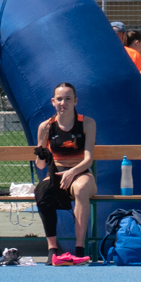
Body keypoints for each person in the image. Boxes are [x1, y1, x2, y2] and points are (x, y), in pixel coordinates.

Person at [33, 82, 97, 264]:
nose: (63, 103)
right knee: (42, 191)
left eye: (68, 99)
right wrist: (41, 154)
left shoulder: (87, 123)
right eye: (59, 99)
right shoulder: (46, 127)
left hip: (81, 172)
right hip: (56, 174)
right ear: (53, 102)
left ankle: (79, 249)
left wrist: (72, 172)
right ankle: (52, 249)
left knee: (81, 189)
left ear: (75, 101)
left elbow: (88, 159)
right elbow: (40, 165)